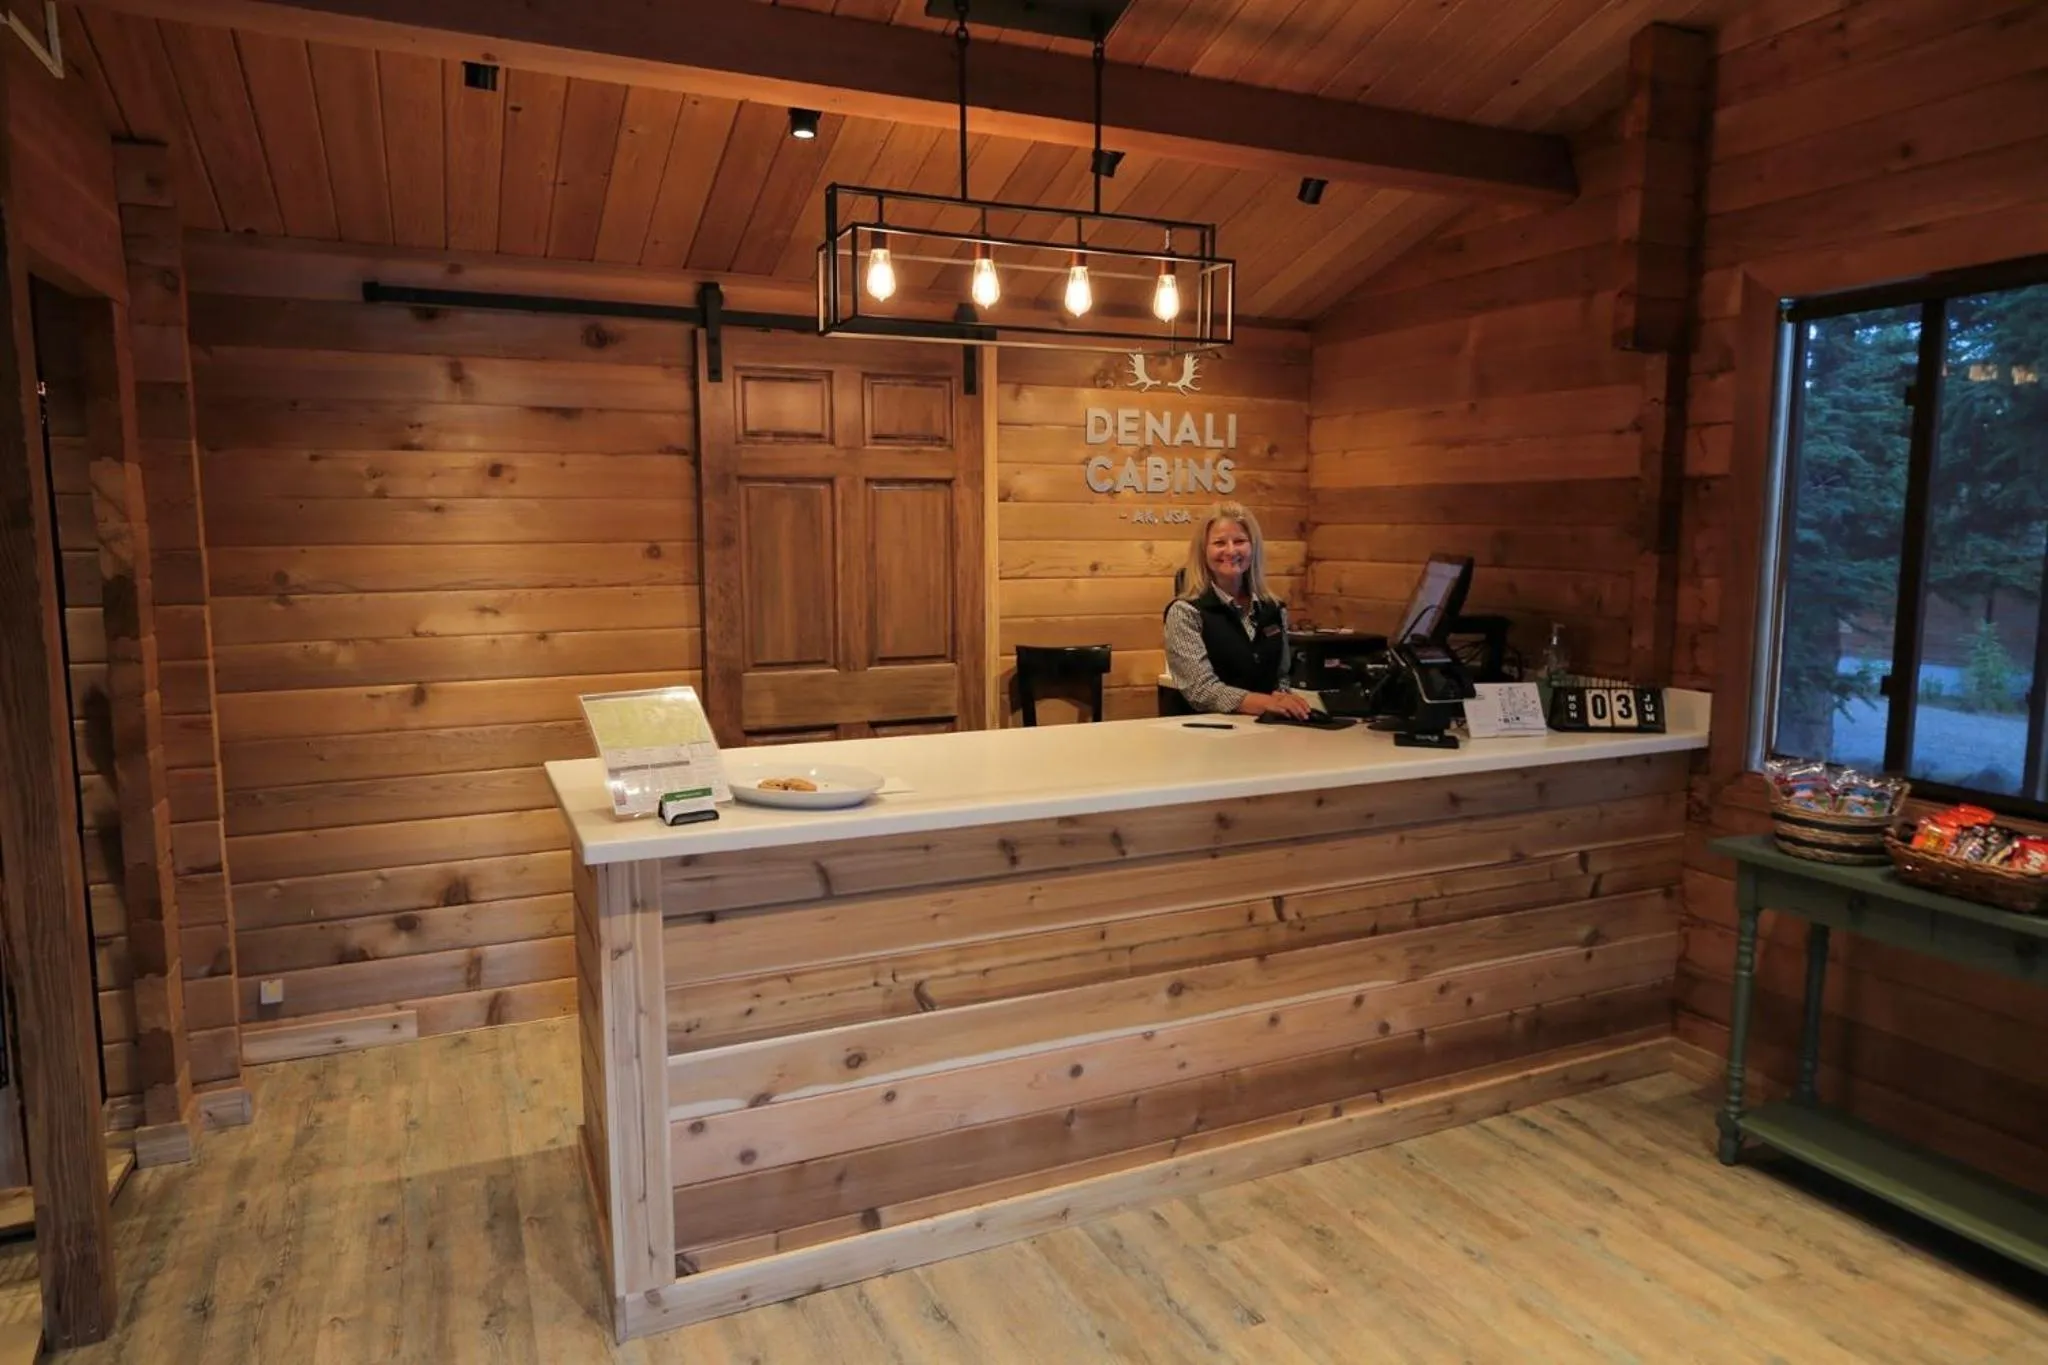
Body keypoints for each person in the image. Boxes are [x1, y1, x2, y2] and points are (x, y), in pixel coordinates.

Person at [1164, 502, 1312, 719]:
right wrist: (1265, 703)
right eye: (1219, 543)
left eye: (1240, 541)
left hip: (1266, 733)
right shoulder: (1185, 612)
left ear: (1253, 547)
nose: (1231, 550)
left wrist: (1284, 700)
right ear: (1203, 551)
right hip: (1205, 738)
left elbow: (1282, 676)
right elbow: (1201, 690)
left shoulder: (1274, 608)